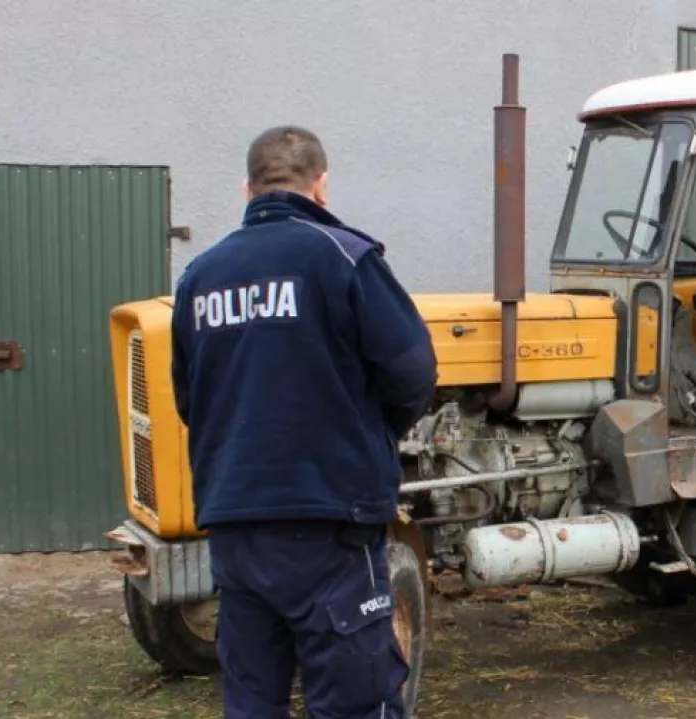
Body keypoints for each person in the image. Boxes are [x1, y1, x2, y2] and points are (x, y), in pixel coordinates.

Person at [170, 125, 438, 719]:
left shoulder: (199, 277)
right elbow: (414, 376)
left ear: (247, 188)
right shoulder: (344, 257)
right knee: (354, 702)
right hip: (329, 525)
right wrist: (364, 433)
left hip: (236, 527)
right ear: (322, 186)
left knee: (253, 701)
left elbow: (191, 400)